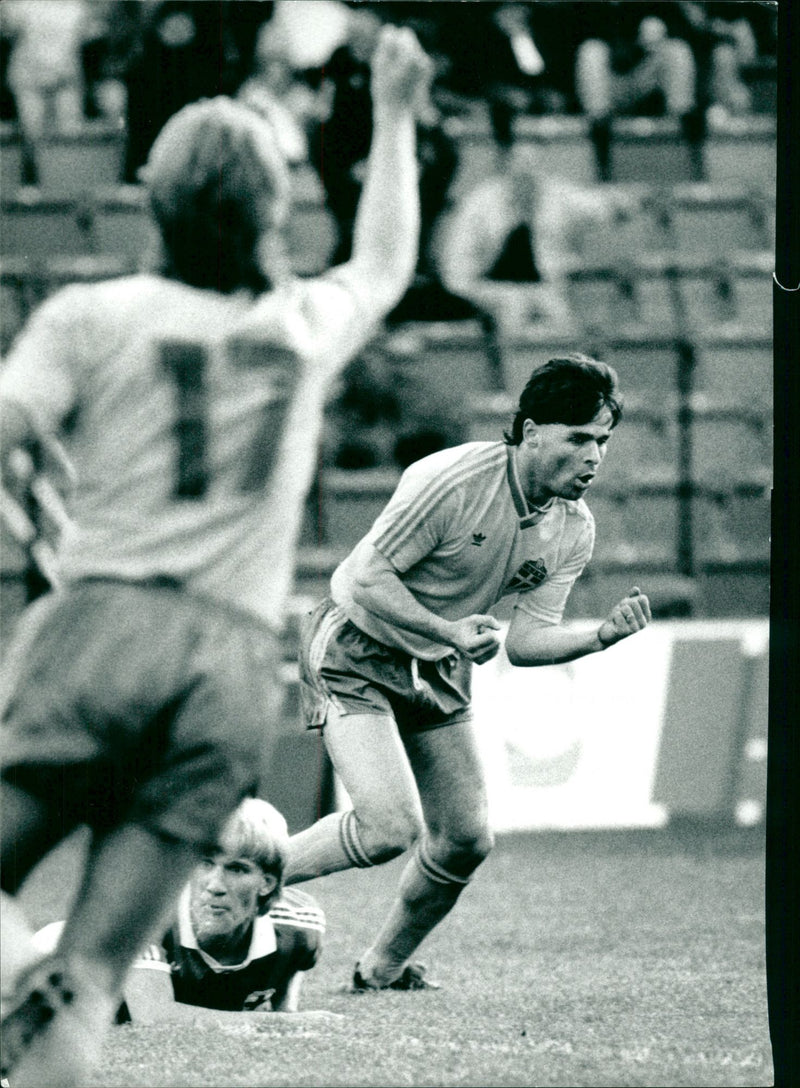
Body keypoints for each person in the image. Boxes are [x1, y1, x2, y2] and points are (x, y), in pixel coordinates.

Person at [0, 24, 430, 1085]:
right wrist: (393, 114)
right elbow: (381, 263)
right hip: (232, 666)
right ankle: (45, 995)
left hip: (104, 627)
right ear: (270, 210)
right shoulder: (295, 323)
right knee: (96, 970)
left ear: (154, 196)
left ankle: (24, 975)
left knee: (42, 928)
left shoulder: (92, 317)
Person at [285, 354, 652, 992]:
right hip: (353, 644)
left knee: (464, 839)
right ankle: (230, 875)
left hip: (433, 665)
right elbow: (362, 579)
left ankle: (381, 971)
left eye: (603, 442)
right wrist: (451, 631)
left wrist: (599, 636)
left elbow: (527, 640)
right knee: (388, 829)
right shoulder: (453, 479)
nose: (594, 457)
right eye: (579, 439)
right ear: (532, 431)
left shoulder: (572, 528)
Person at [30, 799, 331, 1022]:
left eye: (237, 869)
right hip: (36, 974)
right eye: (205, 863)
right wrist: (285, 1023)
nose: (215, 884)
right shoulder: (148, 915)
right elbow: (155, 1017)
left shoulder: (299, 925)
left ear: (266, 883)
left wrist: (286, 1009)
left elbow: (287, 967)